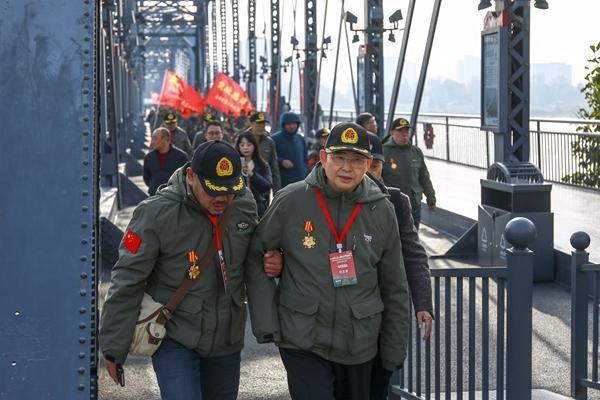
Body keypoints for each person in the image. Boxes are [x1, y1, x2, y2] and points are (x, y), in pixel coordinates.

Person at [99, 140, 282, 400]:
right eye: (213, 190)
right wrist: (113, 346)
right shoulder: (156, 213)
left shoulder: (243, 204)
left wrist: (276, 260)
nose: (222, 198)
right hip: (175, 337)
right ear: (191, 176)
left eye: (229, 190)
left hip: (226, 339)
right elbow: (128, 277)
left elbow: (254, 263)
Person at [246, 122, 410, 400]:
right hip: (302, 338)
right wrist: (267, 322)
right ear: (323, 158)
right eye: (339, 158)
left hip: (359, 341)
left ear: (368, 163)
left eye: (357, 160)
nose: (347, 168)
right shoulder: (292, 200)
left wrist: (394, 350)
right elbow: (255, 254)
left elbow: (395, 284)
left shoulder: (381, 209)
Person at [366, 132, 434, 400]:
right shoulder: (334, 200)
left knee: (380, 379)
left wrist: (423, 304)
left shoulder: (396, 201)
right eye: (362, 162)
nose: (368, 171)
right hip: (346, 311)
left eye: (374, 165)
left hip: (385, 306)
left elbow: (414, 255)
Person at [382, 117, 436, 228]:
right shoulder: (383, 152)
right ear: (392, 132)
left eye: (406, 131)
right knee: (394, 236)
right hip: (392, 205)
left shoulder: (416, 152)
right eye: (400, 131)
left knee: (413, 235)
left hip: (414, 205)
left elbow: (424, 177)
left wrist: (431, 199)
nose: (404, 134)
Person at [236, 131, 273, 218]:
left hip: (258, 207)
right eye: (242, 145)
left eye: (249, 145)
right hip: (239, 207)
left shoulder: (263, 165)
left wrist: (252, 175)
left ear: (254, 146)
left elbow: (267, 186)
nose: (245, 148)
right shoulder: (234, 165)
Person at [143, 127, 188, 196]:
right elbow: (146, 178)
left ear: (165, 139)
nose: (152, 142)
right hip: (154, 196)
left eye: (155, 138)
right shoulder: (148, 157)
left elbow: (186, 177)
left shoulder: (181, 156)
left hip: (175, 197)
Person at [247, 111, 281, 194]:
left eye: (263, 124)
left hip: (264, 186)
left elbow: (274, 168)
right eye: (258, 124)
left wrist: (277, 191)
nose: (261, 127)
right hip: (247, 186)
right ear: (251, 124)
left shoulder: (269, 142)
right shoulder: (243, 140)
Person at [271, 111, 308, 188]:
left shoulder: (300, 138)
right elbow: (268, 158)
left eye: (294, 123)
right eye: (288, 124)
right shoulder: (274, 139)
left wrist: (305, 171)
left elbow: (305, 157)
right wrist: (281, 161)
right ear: (283, 125)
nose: (291, 126)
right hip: (283, 182)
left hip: (301, 181)